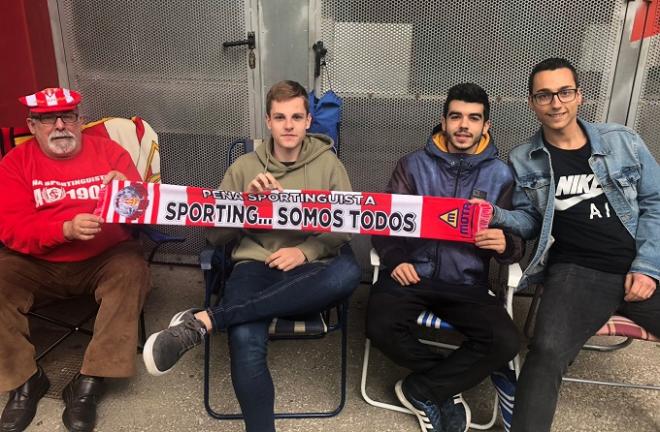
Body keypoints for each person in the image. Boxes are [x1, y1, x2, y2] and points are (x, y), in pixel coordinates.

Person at [142, 80, 361, 432]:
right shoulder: (244, 167)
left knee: (347, 273)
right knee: (244, 338)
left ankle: (205, 320)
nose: (288, 125)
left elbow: (345, 227)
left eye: (296, 117)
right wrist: (245, 205)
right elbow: (214, 235)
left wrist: (305, 251)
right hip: (254, 268)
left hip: (311, 275)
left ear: (308, 122)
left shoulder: (330, 165)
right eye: (280, 117)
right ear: (267, 121)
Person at [487, 57, 660, 432]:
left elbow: (654, 203)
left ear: (579, 96)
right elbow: (531, 221)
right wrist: (496, 216)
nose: (556, 103)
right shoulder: (524, 159)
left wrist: (647, 267)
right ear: (532, 103)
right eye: (544, 95)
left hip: (639, 262)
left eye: (564, 92)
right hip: (577, 272)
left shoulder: (622, 141)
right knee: (545, 354)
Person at [366, 83, 523, 432]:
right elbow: (384, 223)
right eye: (456, 117)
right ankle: (447, 385)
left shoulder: (502, 175)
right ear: (443, 120)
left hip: (466, 283)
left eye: (473, 118)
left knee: (506, 341)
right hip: (414, 273)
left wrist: (506, 244)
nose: (464, 125)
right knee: (377, 324)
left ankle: (422, 388)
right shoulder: (412, 165)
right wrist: (396, 259)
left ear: (486, 126)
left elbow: (517, 236)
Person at [0, 88, 150, 432]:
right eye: (47, 119)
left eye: (68, 116)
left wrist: (129, 191)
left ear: (80, 121)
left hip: (105, 256)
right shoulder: (15, 164)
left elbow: (142, 213)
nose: (59, 125)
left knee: (132, 271)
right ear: (32, 125)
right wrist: (63, 228)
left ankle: (90, 381)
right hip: (36, 262)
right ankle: (24, 379)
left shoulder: (111, 153)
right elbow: (10, 228)